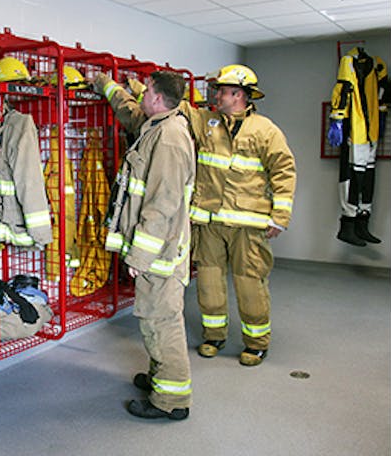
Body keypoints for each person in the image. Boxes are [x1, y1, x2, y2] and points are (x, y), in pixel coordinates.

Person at [91, 70, 196, 421]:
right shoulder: (159, 124)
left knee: (161, 321)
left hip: (160, 252)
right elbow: (130, 112)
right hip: (160, 250)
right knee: (154, 318)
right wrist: (106, 86)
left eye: (145, 90)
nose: (141, 95)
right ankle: (159, 379)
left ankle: (171, 401)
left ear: (156, 95)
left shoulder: (168, 139)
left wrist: (139, 255)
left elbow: (161, 205)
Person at [188, 65, 296, 367]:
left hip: (248, 225)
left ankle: (257, 343)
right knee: (208, 283)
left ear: (238, 94)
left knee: (250, 285)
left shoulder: (265, 129)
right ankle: (214, 336)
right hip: (209, 222)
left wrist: (280, 217)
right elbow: (178, 107)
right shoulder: (206, 121)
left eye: (222, 91)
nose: (217, 95)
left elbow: (284, 171)